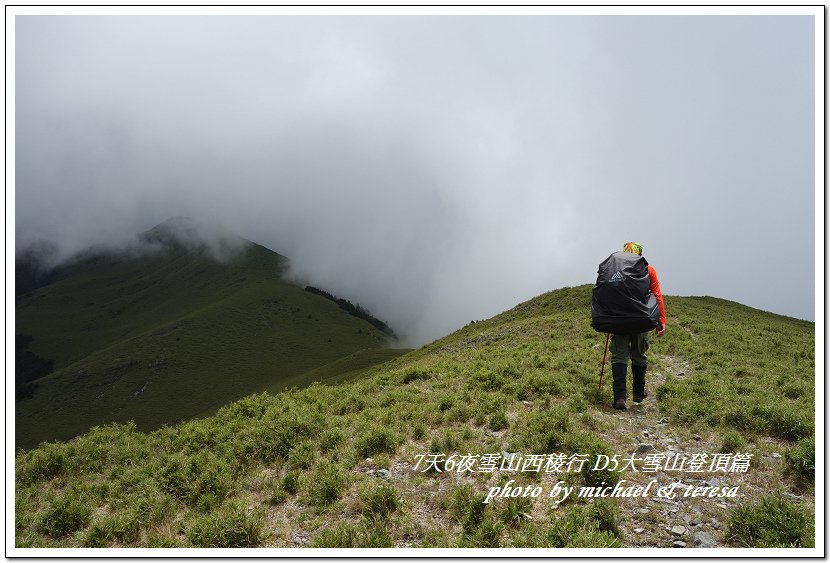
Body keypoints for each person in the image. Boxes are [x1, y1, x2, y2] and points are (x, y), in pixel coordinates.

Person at [611, 242, 666, 410]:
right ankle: (638, 393)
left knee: (619, 356)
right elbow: (656, 294)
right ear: (640, 254)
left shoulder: (615, 269)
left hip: (619, 319)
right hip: (641, 320)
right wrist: (660, 319)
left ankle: (620, 397)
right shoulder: (648, 270)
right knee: (639, 355)